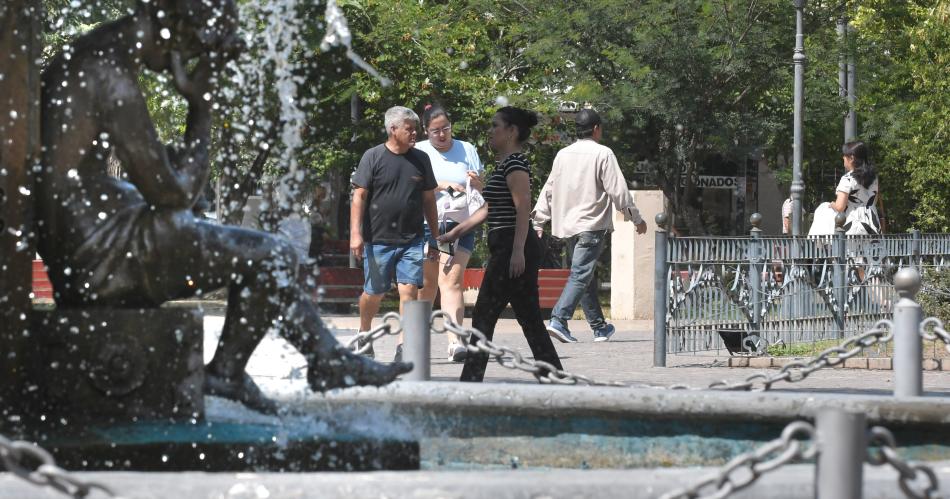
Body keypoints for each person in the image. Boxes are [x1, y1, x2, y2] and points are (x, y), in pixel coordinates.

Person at [35, 0, 410, 415]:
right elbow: (173, 194)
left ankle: (312, 359)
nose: (190, 62)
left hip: (87, 238)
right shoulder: (110, 76)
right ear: (173, 23)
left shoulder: (91, 56)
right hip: (100, 256)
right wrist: (201, 106)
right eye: (195, 50)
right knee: (274, 254)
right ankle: (248, 369)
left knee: (265, 252)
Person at [438, 106, 563, 382]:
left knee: (484, 315)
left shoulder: (515, 163)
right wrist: (454, 233)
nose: (491, 131)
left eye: (496, 126)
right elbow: (487, 210)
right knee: (529, 317)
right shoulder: (503, 164)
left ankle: (470, 380)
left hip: (511, 246)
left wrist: (517, 251)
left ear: (512, 131)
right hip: (506, 245)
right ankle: (554, 376)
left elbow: (523, 209)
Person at [531, 109, 646, 343]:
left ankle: (599, 327)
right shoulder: (603, 153)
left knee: (585, 275)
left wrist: (539, 219)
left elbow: (549, 188)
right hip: (591, 225)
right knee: (581, 274)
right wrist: (636, 218)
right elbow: (618, 191)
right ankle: (559, 320)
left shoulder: (563, 155)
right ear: (596, 129)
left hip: (569, 226)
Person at [350, 106, 440, 362]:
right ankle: (364, 333)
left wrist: (434, 237)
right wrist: (355, 234)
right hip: (377, 240)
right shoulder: (373, 156)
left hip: (412, 239)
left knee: (409, 290)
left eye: (415, 129)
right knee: (374, 292)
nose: (414, 133)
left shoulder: (421, 159)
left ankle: (404, 346)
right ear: (393, 130)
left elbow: (429, 200)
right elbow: (359, 197)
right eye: (409, 129)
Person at [415, 105, 484, 363]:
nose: (442, 135)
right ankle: (416, 339)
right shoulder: (419, 151)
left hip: (460, 226)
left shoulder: (467, 149)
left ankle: (455, 342)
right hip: (428, 226)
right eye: (436, 131)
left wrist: (477, 183)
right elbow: (412, 188)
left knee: (452, 280)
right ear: (426, 131)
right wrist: (442, 185)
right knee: (428, 285)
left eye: (446, 129)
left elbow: (480, 186)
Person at [808, 141, 882, 236]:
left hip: (854, 223)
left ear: (851, 158)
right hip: (872, 221)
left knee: (850, 250)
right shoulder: (874, 178)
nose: (843, 158)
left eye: (844, 155)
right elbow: (874, 200)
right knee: (872, 250)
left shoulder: (847, 179)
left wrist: (831, 204)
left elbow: (840, 207)